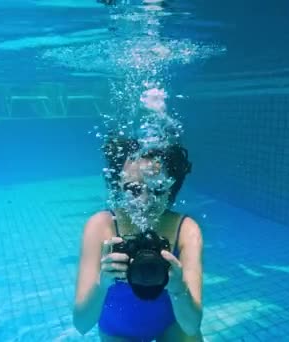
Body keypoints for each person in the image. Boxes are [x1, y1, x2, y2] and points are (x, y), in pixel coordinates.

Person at [73, 134, 204, 341]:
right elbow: (81, 323)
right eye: (134, 189)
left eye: (158, 189)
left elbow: (191, 325)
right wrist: (103, 283)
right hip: (118, 333)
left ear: (172, 187)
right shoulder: (101, 227)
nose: (145, 202)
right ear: (118, 185)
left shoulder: (186, 230)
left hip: (171, 327)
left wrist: (179, 287)